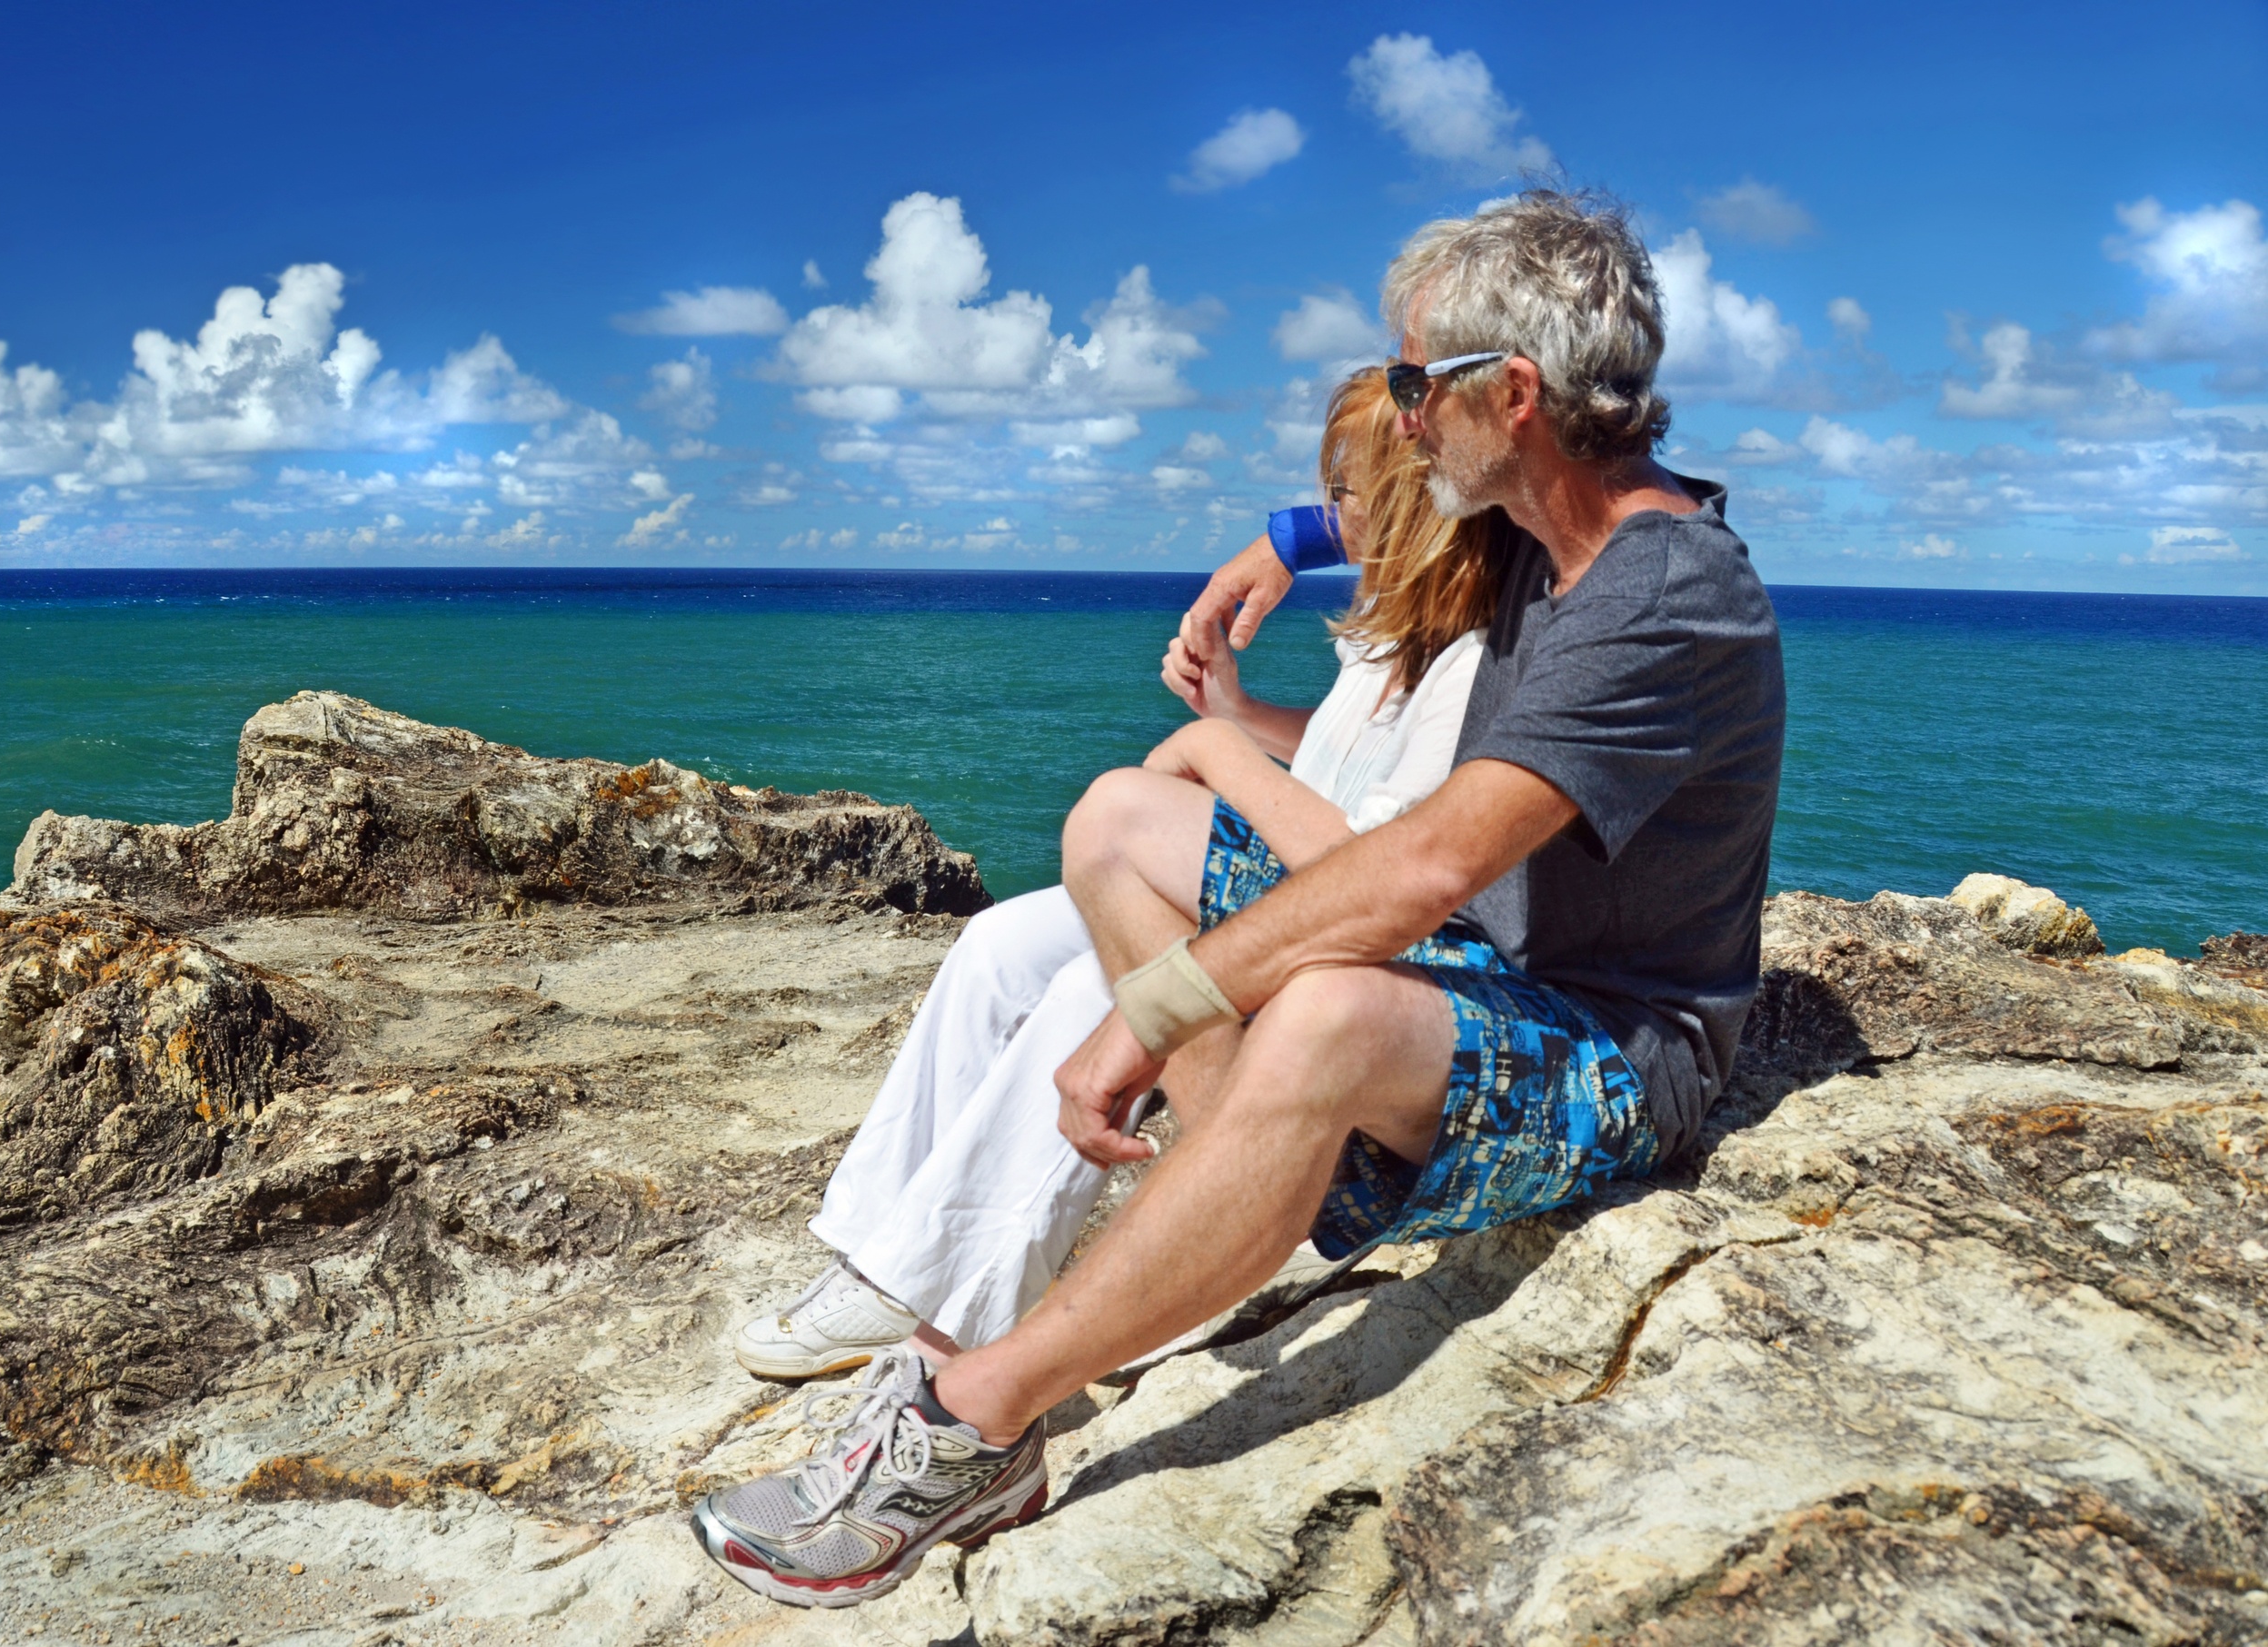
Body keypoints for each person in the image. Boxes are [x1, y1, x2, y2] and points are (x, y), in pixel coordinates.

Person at [691, 189, 1786, 1610]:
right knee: (1120, 819)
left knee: (1325, 1006)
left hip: (1617, 1045)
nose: (1399, 417)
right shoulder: (1544, 529)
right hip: (1492, 974)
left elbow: (1424, 867)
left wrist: (1143, 1017)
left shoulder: (1660, 597)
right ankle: (1240, 1194)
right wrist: (1274, 544)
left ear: (1512, 395)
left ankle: (975, 1425)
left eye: (1412, 384)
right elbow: (1374, 519)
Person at [731, 364, 1502, 1384]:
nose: (1329, 516)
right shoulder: (1390, 627)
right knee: (999, 941)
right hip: (1274, 888)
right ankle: (879, 1254)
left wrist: (1215, 757)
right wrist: (1237, 714)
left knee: (1104, 982)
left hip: (1341, 946)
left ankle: (952, 1302)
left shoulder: (1478, 658)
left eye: (1344, 494)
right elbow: (1340, 760)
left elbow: (1376, 871)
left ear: (1409, 500)